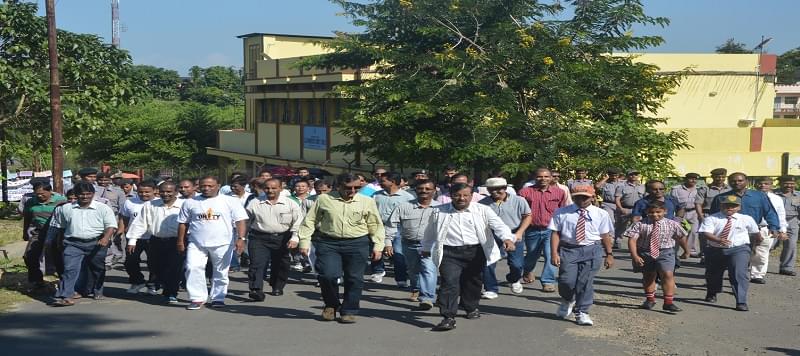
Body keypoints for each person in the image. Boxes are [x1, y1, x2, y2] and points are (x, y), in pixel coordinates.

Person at [422, 183, 516, 331]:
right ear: (450, 196)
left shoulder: (482, 210)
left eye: (465, 195)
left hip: (475, 252)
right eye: (457, 195)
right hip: (449, 253)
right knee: (449, 283)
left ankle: (470, 307)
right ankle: (448, 317)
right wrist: (426, 248)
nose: (461, 198)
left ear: (471, 196)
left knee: (472, 281)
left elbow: (499, 225)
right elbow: (430, 231)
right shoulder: (438, 211)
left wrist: (507, 239)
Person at [298, 173, 385, 324]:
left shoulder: (367, 201)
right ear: (338, 187)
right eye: (348, 188)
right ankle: (331, 305)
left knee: (354, 278)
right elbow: (310, 221)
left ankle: (349, 310)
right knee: (327, 275)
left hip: (357, 243)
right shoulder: (324, 199)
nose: (352, 191)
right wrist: (304, 242)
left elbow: (375, 224)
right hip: (329, 243)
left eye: (356, 188)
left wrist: (378, 246)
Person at [177, 176, 248, 310]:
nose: (206, 188)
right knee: (192, 267)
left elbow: (240, 220)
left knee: (220, 272)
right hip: (196, 243)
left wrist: (241, 238)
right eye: (203, 186)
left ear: (218, 186)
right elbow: (183, 223)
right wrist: (180, 241)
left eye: (210, 186)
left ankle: (218, 298)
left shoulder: (230, 201)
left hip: (223, 243)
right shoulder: (190, 202)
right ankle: (197, 298)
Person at [550, 185, 614, 326]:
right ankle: (567, 299)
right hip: (569, 249)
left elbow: (605, 234)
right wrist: (554, 253)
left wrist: (609, 254)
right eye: (577, 197)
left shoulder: (601, 214)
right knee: (566, 281)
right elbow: (555, 233)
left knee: (585, 282)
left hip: (592, 249)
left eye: (585, 197)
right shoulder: (562, 212)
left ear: (592, 197)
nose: (581, 200)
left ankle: (582, 311)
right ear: (573, 197)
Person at [50, 182, 117, 306]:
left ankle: (98, 290)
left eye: (88, 194)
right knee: (70, 269)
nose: (85, 197)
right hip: (73, 243)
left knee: (97, 268)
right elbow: (62, 227)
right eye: (82, 194)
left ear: (93, 194)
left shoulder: (103, 208)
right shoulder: (66, 208)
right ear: (76, 194)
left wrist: (106, 238)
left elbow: (111, 226)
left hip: (97, 243)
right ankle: (67, 296)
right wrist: (59, 241)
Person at [625, 200, 689, 312]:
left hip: (666, 252)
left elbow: (681, 237)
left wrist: (686, 251)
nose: (655, 214)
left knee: (668, 275)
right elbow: (632, 240)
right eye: (651, 212)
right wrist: (635, 256)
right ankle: (650, 300)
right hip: (645, 252)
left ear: (665, 211)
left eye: (658, 212)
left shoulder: (672, 224)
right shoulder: (640, 224)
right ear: (646, 212)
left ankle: (668, 303)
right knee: (649, 276)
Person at [385, 179, 440, 309]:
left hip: (430, 245)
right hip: (408, 244)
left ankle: (427, 298)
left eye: (428, 189)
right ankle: (416, 288)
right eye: (421, 188)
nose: (424, 191)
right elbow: (391, 225)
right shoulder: (404, 207)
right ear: (416, 190)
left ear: (434, 191)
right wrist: (388, 243)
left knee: (428, 269)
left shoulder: (440, 208)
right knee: (413, 270)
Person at [126, 181, 184, 304]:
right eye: (162, 191)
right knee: (155, 267)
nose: (165, 194)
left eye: (169, 191)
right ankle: (160, 283)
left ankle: (171, 293)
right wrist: (132, 240)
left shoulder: (184, 205)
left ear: (176, 192)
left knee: (174, 268)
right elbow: (140, 223)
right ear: (158, 191)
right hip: (156, 240)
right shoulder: (150, 205)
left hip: (177, 241)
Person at [245, 178, 303, 301]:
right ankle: (256, 289)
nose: (270, 190)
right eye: (267, 188)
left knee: (281, 263)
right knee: (256, 263)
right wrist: (242, 237)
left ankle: (277, 286)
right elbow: (246, 221)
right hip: (259, 237)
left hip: (283, 238)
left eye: (273, 188)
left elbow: (298, 222)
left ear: (280, 188)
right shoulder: (254, 203)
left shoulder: (290, 203)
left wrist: (294, 238)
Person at [700, 195, 760, 311]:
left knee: (739, 273)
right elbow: (706, 233)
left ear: (739, 207)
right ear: (721, 206)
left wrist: (755, 245)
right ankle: (712, 292)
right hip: (716, 249)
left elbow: (755, 233)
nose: (730, 208)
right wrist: (718, 240)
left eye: (733, 206)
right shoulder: (712, 218)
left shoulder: (746, 219)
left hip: (739, 249)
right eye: (727, 205)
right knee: (713, 273)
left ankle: (741, 301)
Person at [478, 177, 531, 299]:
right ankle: (490, 288)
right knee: (489, 261)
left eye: (498, 189)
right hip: (491, 234)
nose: (495, 192)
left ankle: (514, 279)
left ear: (505, 188)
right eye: (491, 189)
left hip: (514, 232)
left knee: (516, 263)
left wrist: (519, 232)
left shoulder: (519, 200)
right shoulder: (483, 203)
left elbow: (527, 216)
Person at [517, 168, 568, 291]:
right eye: (540, 176)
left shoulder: (559, 192)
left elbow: (563, 211)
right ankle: (528, 270)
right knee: (532, 255)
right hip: (532, 229)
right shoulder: (525, 192)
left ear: (551, 178)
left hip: (551, 230)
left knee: (551, 254)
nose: (543, 179)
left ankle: (548, 281)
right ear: (535, 178)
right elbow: (518, 210)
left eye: (546, 176)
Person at [22, 181, 66, 289]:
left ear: (50, 191)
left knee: (58, 257)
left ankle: (65, 281)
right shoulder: (31, 202)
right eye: (37, 194)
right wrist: (25, 232)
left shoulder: (61, 200)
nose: (40, 196)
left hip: (56, 232)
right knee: (29, 256)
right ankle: (36, 280)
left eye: (42, 194)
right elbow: (27, 217)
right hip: (39, 231)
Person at [374, 172, 415, 287]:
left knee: (398, 253)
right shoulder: (376, 195)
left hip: (398, 228)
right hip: (379, 227)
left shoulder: (407, 197)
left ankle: (401, 278)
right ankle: (378, 271)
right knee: (376, 250)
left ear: (392, 182)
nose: (380, 183)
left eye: (383, 181)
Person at [121, 181, 158, 295]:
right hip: (134, 237)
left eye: (147, 192)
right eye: (141, 192)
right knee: (130, 262)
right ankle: (137, 282)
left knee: (154, 263)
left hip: (153, 237)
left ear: (154, 191)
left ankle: (152, 285)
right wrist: (121, 231)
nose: (143, 194)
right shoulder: (130, 202)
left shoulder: (159, 203)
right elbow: (124, 218)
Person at [748, 177, 787, 284]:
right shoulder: (749, 196)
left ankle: (757, 275)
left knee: (762, 253)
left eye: (766, 184)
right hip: (749, 228)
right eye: (760, 183)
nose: (763, 185)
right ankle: (740, 272)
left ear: (771, 185)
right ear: (755, 185)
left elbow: (780, 215)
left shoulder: (776, 199)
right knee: (745, 251)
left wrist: (782, 230)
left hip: (766, 228)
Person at [694, 168, 731, 260]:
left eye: (723, 177)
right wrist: (701, 216)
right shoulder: (705, 189)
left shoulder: (730, 189)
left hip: (725, 216)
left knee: (723, 235)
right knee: (705, 237)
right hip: (708, 215)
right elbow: (698, 204)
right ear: (712, 177)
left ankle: (722, 256)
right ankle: (704, 255)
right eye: (718, 177)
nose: (720, 179)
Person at [670, 173, 701, 256]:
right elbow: (672, 201)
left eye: (695, 179)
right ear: (686, 179)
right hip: (679, 212)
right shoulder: (676, 189)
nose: (693, 180)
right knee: (678, 232)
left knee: (694, 231)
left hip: (693, 212)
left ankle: (690, 251)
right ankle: (675, 251)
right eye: (691, 178)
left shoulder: (699, 189)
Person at [776, 175, 800, 276]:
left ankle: (786, 268)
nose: (789, 186)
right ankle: (757, 266)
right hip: (775, 222)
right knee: (768, 245)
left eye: (792, 184)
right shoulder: (773, 194)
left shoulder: (798, 195)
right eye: (786, 183)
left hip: (792, 222)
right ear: (780, 183)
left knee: (791, 245)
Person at [614, 169, 645, 248]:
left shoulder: (642, 187)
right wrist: (621, 208)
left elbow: (645, 199)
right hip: (625, 208)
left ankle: (636, 244)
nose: (634, 176)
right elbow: (617, 199)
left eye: (636, 174)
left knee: (637, 227)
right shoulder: (621, 186)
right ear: (627, 176)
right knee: (621, 226)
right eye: (631, 174)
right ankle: (617, 242)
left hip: (638, 210)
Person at [594, 168, 622, 234]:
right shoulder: (605, 183)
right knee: (611, 221)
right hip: (608, 204)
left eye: (616, 175)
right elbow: (597, 186)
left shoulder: (622, 183)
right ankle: (610, 236)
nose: (614, 177)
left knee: (619, 222)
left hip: (620, 204)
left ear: (618, 175)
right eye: (612, 175)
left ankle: (617, 238)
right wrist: (606, 178)